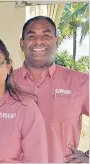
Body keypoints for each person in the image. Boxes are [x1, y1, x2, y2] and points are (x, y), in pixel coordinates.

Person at [14, 16, 89, 163]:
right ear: (22, 44)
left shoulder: (80, 82)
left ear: (56, 41)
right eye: (31, 36)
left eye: (46, 35)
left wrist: (88, 156)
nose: (38, 41)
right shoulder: (6, 83)